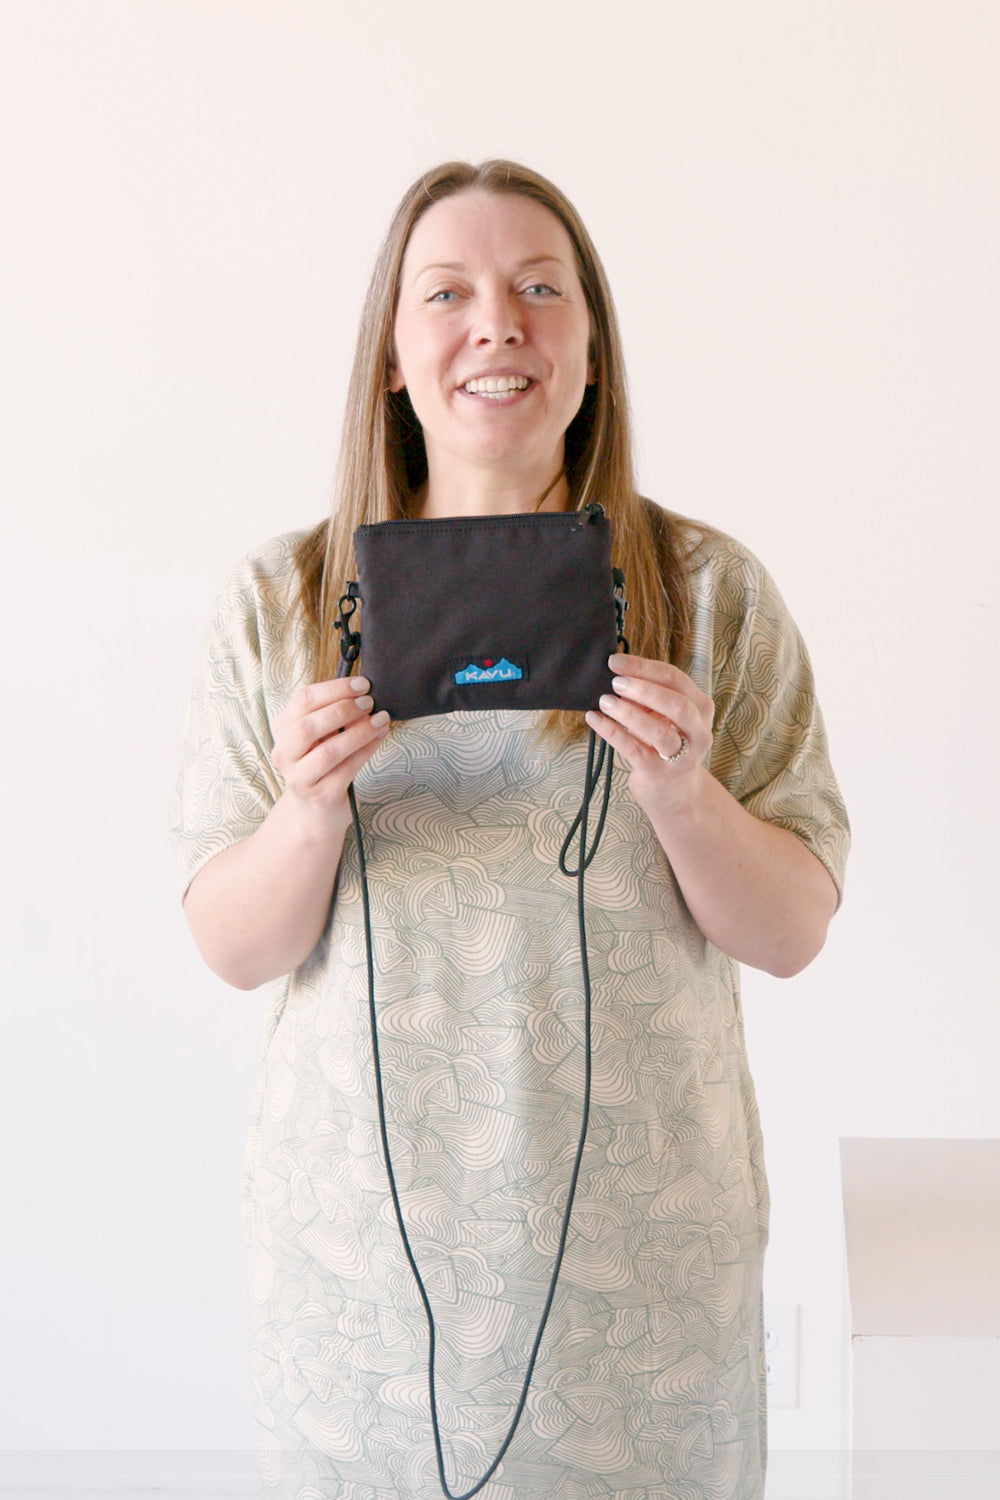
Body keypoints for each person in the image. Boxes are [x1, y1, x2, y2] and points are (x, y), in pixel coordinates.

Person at [169, 159, 848, 1500]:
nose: (499, 324)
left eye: (542, 289)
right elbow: (233, 949)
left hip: (642, 1282)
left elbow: (795, 930)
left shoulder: (707, 594)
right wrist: (307, 810)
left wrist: (683, 796)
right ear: (391, 356)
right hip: (359, 1282)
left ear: (592, 350)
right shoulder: (281, 600)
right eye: (449, 294)